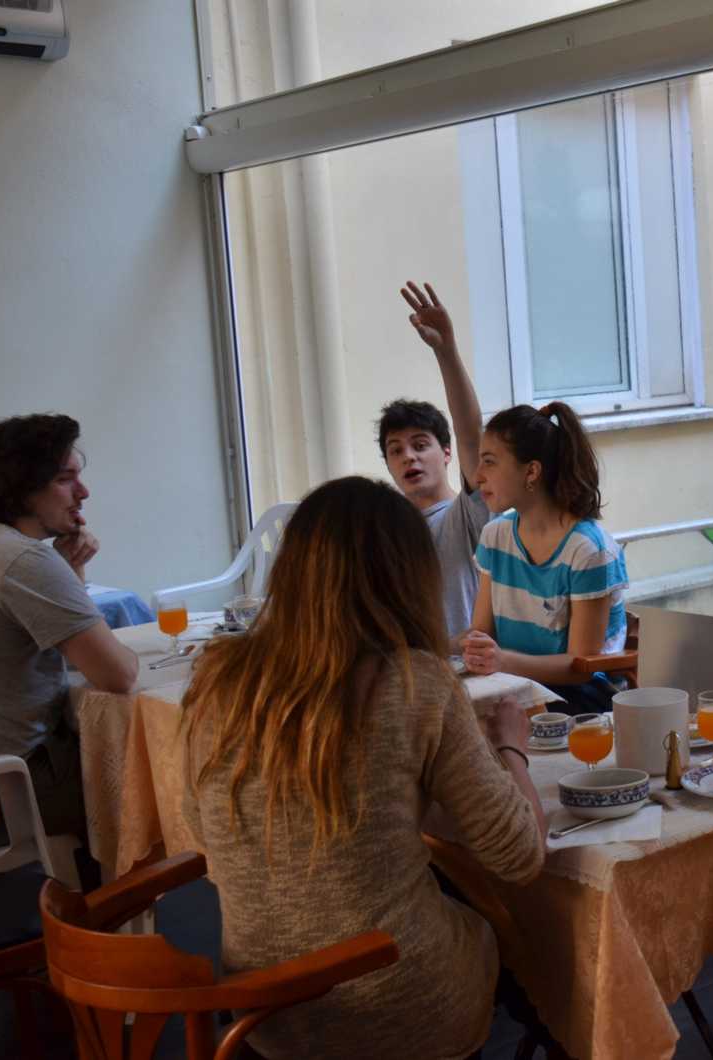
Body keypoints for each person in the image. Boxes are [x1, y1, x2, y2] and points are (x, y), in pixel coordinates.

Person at [181, 476, 545, 1060]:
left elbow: (203, 833)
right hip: (400, 1007)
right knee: (527, 939)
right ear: (408, 577)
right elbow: (520, 855)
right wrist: (511, 747)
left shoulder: (216, 679)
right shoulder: (414, 682)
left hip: (262, 1015)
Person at [0, 414, 137, 844]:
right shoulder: (23, 559)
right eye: (65, 479)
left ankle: (95, 872)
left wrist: (70, 571)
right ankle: (139, 880)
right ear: (21, 485)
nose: (84, 492)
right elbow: (118, 674)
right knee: (153, 763)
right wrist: (62, 571)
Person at [462, 403, 628, 714]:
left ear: (531, 472)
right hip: (513, 687)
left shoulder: (588, 551)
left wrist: (502, 661)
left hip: (581, 699)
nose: (477, 476)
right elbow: (481, 633)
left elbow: (581, 667)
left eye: (489, 462)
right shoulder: (495, 536)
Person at [378, 281, 492, 643]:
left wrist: (446, 351)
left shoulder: (467, 515)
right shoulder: (385, 530)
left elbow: (470, 432)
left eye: (419, 445)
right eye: (395, 450)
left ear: (446, 452)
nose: (408, 456)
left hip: (462, 667)